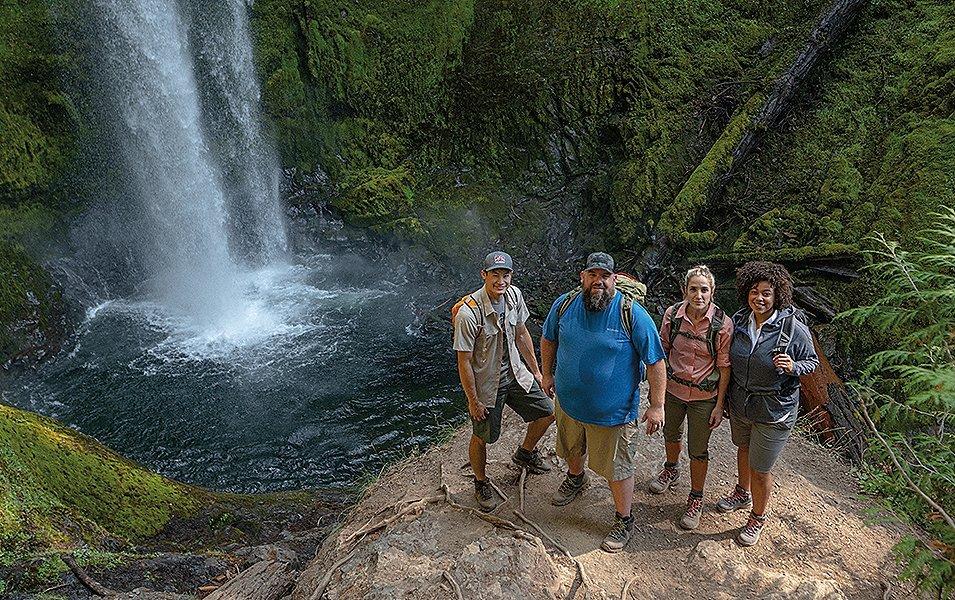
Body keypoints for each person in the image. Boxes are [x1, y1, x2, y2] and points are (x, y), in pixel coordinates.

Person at [540, 252, 667, 553]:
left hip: (614, 413)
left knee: (618, 468)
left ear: (614, 279)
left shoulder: (631, 313)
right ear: (582, 277)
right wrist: (547, 374)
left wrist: (657, 405)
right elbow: (548, 338)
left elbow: (656, 361)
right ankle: (575, 478)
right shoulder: (564, 305)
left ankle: (624, 519)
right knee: (572, 447)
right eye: (592, 275)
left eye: (605, 276)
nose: (599, 281)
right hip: (570, 405)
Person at [715, 261, 819, 546]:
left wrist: (794, 366)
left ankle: (758, 517)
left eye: (766, 293)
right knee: (743, 449)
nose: (758, 298)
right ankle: (741, 492)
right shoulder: (737, 322)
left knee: (761, 467)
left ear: (777, 296)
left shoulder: (793, 328)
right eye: (753, 292)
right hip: (742, 404)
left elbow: (812, 363)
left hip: (775, 409)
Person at [453, 251, 556, 512]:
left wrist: (537, 372)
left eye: (505, 274)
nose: (501, 280)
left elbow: (521, 333)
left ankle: (525, 453)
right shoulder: (469, 314)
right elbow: (464, 362)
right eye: (495, 275)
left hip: (515, 373)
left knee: (548, 412)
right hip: (488, 385)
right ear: (483, 275)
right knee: (482, 437)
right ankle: (480, 481)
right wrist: (473, 402)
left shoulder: (514, 296)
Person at [650, 265, 733, 530]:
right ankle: (671, 468)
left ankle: (696, 497)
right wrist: (656, 395)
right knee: (671, 434)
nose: (699, 295)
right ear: (685, 290)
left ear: (713, 292)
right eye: (693, 289)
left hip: (703, 396)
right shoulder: (672, 315)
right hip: (673, 390)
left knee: (698, 449)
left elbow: (724, 367)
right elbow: (661, 350)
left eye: (704, 290)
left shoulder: (722, 324)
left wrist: (720, 405)